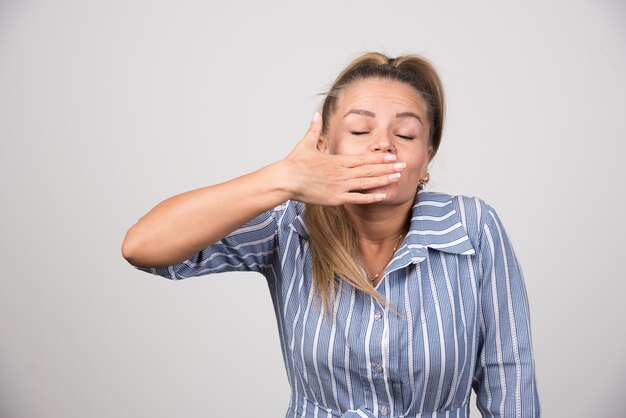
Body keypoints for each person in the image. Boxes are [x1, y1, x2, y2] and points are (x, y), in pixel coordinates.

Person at [122, 52, 540, 417]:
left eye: (406, 134)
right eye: (360, 131)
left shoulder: (472, 226)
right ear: (325, 147)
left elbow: (509, 373)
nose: (384, 146)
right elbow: (143, 246)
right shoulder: (289, 224)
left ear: (426, 155)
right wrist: (282, 179)